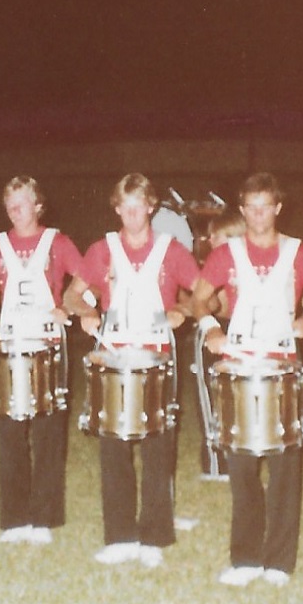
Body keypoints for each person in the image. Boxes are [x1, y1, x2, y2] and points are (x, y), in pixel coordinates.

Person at [64, 173, 201, 568]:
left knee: (158, 444)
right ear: (117, 208)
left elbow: (205, 295)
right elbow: (73, 295)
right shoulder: (102, 250)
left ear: (152, 207)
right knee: (114, 445)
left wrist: (183, 310)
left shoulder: (171, 251)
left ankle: (154, 534)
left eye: (139, 206)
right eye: (125, 207)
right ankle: (119, 534)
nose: (132, 213)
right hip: (114, 357)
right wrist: (87, 312)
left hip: (157, 356)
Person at [196, 173, 303, 587]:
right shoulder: (226, 253)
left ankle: (279, 561)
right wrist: (211, 326)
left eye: (265, 205)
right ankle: (246, 558)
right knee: (243, 464)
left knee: (285, 465)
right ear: (242, 209)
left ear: (278, 208)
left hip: (282, 364)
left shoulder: (299, 252)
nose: (258, 214)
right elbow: (199, 296)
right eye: (250, 207)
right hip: (239, 364)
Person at [0, 176, 84, 545]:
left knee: (49, 432)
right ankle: (14, 518)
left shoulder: (58, 242)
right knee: (11, 432)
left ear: (38, 205)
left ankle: (44, 518)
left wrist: (67, 304)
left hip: (48, 346)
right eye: (10, 205)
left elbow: (91, 283)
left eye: (23, 203)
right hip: (10, 346)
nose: (16, 211)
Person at [196, 206, 247, 482]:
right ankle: (215, 464)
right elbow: (208, 300)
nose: (209, 242)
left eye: (214, 236)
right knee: (211, 397)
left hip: (241, 331)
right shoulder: (215, 262)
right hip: (216, 329)